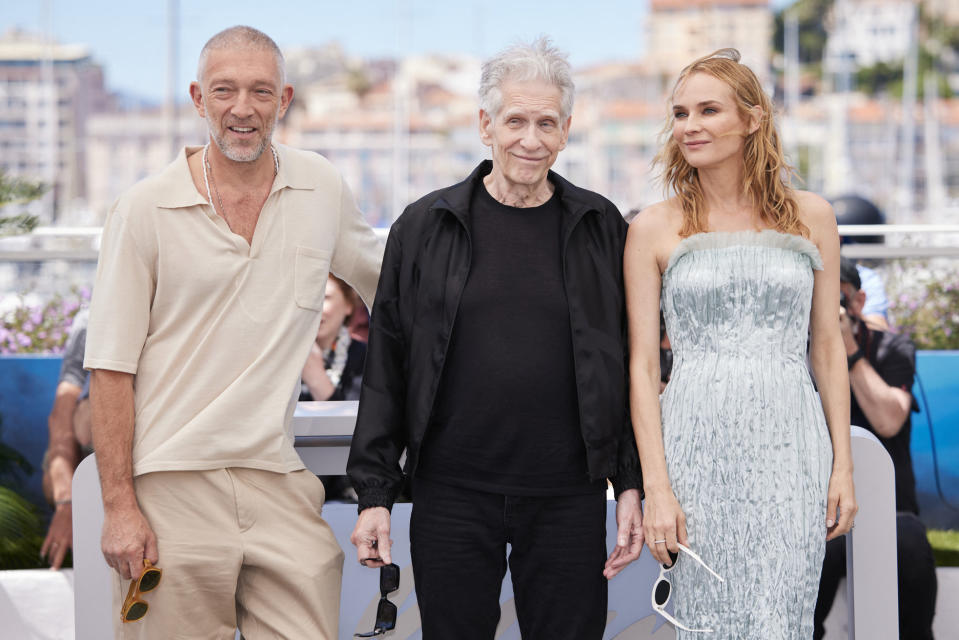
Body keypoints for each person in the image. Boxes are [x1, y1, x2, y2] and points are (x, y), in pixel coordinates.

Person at [83, 26, 382, 639]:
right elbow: (110, 367)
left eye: (260, 92)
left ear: (285, 99)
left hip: (277, 480)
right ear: (198, 98)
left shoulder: (321, 186)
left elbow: (398, 294)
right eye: (224, 91)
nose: (242, 108)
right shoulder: (143, 209)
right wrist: (119, 507)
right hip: (170, 486)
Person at [346, 38, 644, 640]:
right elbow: (388, 366)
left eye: (546, 123)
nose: (530, 140)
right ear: (485, 125)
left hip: (569, 496)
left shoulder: (601, 226)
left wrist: (631, 482)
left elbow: (629, 359)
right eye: (515, 121)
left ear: (566, 130)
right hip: (451, 495)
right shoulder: (423, 226)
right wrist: (374, 493)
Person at [624, 48, 857, 638]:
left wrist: (842, 468)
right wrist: (657, 488)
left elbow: (827, 347)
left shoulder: (813, 218)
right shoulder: (652, 226)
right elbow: (643, 365)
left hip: (792, 450)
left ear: (753, 119)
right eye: (680, 114)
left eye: (708, 110)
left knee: (782, 619)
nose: (690, 126)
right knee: (703, 622)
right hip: (694, 449)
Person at [813, 258, 937, 639]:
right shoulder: (792, 353)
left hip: (891, 509)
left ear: (859, 301)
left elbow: (888, 420)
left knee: (910, 544)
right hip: (817, 511)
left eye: (837, 297)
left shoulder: (892, 348)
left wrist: (845, 347)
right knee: (818, 555)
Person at [40, 308, 92, 570]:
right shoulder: (90, 318)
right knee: (87, 415)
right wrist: (67, 501)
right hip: (99, 446)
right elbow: (62, 408)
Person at [299, 274, 367, 402]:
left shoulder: (366, 359)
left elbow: (358, 419)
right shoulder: (281, 355)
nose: (314, 307)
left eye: (325, 297)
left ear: (348, 304)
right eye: (308, 298)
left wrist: (316, 378)